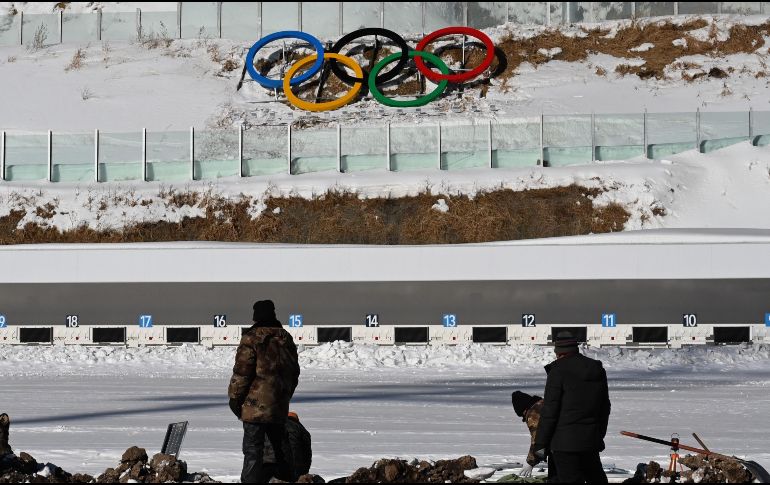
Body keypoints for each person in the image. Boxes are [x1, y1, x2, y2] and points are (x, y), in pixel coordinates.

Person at [228, 300, 301, 483]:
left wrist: (235, 399)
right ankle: (286, 479)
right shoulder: (286, 338)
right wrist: (284, 396)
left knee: (253, 450)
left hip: (254, 405)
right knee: (281, 447)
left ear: (256, 316)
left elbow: (242, 373)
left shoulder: (251, 338)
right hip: (278, 404)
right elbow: (294, 373)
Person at [533, 331, 611, 483]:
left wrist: (540, 444)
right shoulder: (596, 369)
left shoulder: (557, 371)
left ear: (559, 352)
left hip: (564, 444)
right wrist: (597, 435)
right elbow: (604, 408)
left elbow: (550, 412)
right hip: (590, 441)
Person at [511, 390, 558, 482]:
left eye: (523, 415)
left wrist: (530, 462)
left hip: (560, 449)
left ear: (524, 409)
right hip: (579, 440)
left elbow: (538, 441)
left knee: (557, 478)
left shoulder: (533, 414)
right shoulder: (544, 403)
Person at [263, 411, 313, 479]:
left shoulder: (274, 427)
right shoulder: (303, 431)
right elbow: (307, 455)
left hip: (274, 467)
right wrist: (304, 472)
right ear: (297, 420)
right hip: (296, 469)